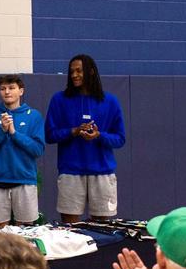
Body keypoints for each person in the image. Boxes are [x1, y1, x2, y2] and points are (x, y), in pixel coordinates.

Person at [44, 54, 125, 223]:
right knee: (70, 228)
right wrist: (73, 131)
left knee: (103, 226)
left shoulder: (110, 101)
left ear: (91, 72)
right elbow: (50, 135)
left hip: (102, 172)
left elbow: (120, 138)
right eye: (71, 71)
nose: (74, 75)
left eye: (79, 71)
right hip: (70, 172)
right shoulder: (59, 100)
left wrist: (99, 135)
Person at [0, 75, 45, 228]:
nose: (7, 92)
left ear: (21, 91)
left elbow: (37, 149)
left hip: (24, 180)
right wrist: (2, 131)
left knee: (26, 231)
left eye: (11, 88)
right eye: (3, 89)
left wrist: (14, 133)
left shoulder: (34, 115)